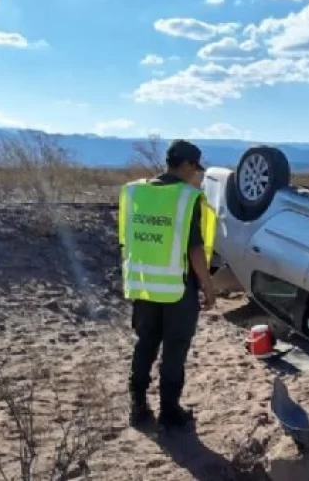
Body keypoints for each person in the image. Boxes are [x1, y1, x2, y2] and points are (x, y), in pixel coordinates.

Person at [118, 139, 218, 430]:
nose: (195, 174)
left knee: (145, 345)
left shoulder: (135, 192)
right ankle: (169, 412)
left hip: (144, 285)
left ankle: (138, 407)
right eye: (195, 168)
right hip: (177, 289)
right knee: (174, 351)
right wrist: (208, 287)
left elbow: (128, 237)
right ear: (187, 165)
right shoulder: (187, 199)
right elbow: (195, 249)